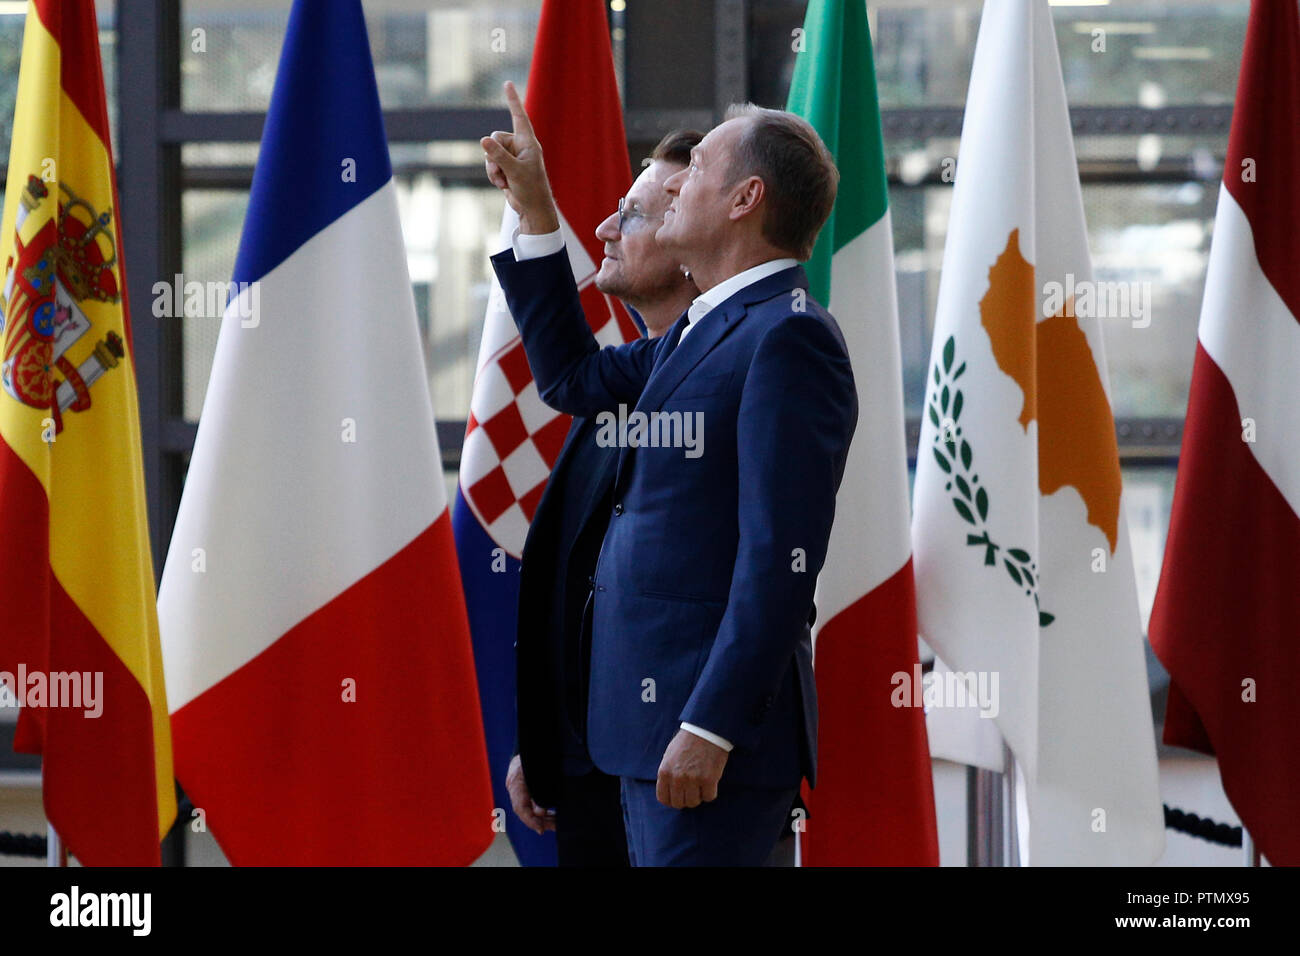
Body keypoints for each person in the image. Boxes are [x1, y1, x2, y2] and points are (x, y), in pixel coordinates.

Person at [483, 82, 856, 866]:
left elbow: (778, 564)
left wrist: (711, 725)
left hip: (702, 746)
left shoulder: (788, 339)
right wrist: (537, 214)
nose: (678, 183)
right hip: (641, 741)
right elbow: (573, 382)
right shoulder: (706, 329)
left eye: (697, 172)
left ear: (745, 199)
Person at [503, 130, 703, 867]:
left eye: (638, 214)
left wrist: (708, 732)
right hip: (590, 772)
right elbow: (581, 577)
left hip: (679, 769)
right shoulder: (632, 374)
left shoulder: (745, 354)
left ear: (696, 233)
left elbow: (763, 580)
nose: (606, 228)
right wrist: (549, 739)